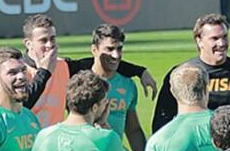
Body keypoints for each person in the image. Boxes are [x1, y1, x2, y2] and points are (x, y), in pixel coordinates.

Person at [20, 13, 156, 128]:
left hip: (52, 147)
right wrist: (44, 71)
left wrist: (140, 71)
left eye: (52, 38)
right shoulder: (17, 72)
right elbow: (21, 107)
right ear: (28, 43)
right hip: (23, 148)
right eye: (43, 40)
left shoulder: (63, 66)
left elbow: (100, 61)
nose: (50, 45)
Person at [151, 13, 230, 135]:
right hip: (197, 149)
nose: (222, 43)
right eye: (215, 38)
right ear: (199, 41)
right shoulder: (183, 74)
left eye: (225, 37)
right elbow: (162, 120)